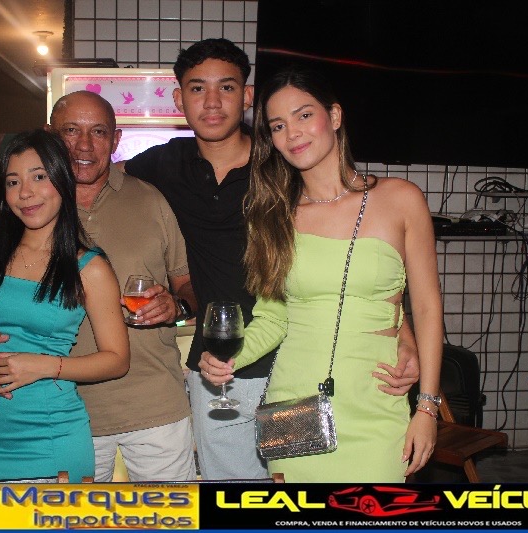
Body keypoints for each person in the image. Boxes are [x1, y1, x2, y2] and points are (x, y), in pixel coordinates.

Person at [117, 38, 421, 480]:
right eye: (198, 89)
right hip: (224, 371)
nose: (212, 102)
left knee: (312, 483)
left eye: (226, 87)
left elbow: (360, 262)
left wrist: (402, 334)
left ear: (247, 96)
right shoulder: (164, 164)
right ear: (179, 100)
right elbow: (97, 180)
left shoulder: (289, 163)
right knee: (241, 493)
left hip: (295, 364)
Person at [0, 95, 199, 482]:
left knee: (164, 512)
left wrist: (178, 309)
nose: (84, 144)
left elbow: (186, 286)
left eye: (98, 132)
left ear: (116, 139)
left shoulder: (140, 211)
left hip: (140, 408)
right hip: (12, 421)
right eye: (71, 130)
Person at [200, 66, 443, 482]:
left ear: (333, 116)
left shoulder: (401, 199)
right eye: (278, 125)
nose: (292, 133)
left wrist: (427, 406)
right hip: (294, 402)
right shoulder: (272, 216)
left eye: (304, 115)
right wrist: (229, 358)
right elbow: (273, 317)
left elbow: (426, 306)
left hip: (377, 403)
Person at [0, 129, 130, 482]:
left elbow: (117, 360)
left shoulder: (89, 267)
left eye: (39, 177)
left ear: (62, 181)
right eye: (13, 182)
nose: (25, 193)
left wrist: (42, 365)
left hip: (52, 439)